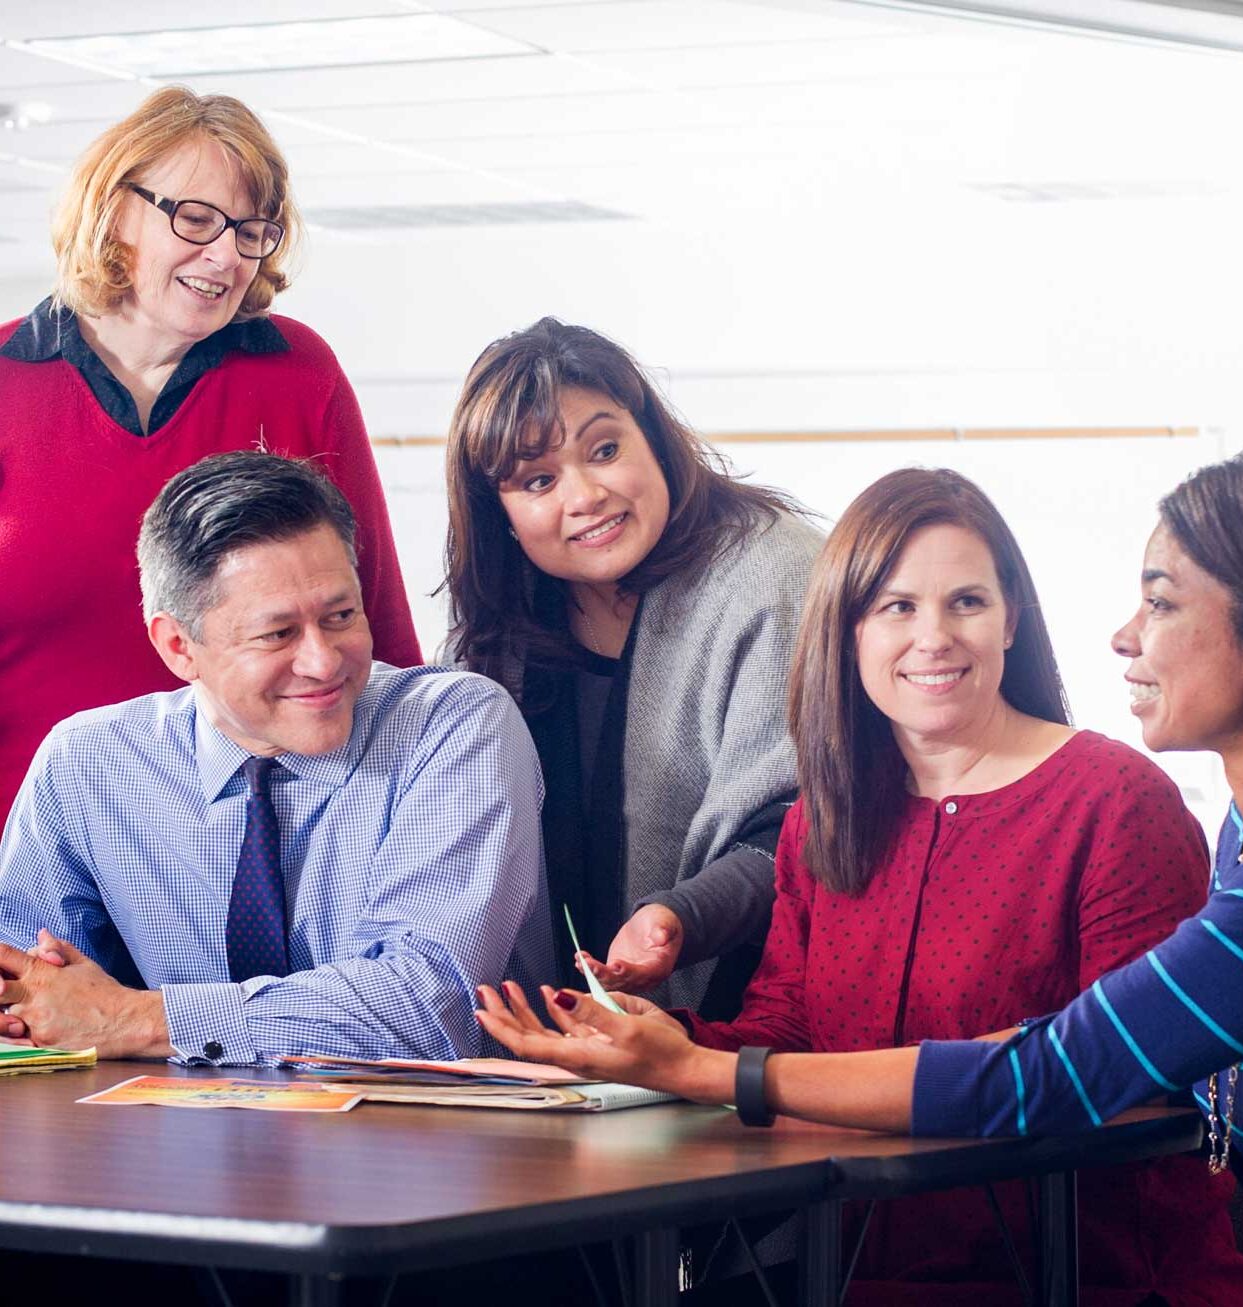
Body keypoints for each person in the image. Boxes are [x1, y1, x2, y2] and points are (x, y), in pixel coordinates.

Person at [479, 466, 1243, 1305]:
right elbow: (789, 1031)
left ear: (1011, 619)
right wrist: (658, 1037)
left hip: (1096, 1284)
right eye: (896, 606)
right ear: (845, 630)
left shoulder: (1116, 802)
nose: (933, 637)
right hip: (859, 1277)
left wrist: (695, 1066)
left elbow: (1129, 1080)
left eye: (966, 601)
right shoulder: (825, 818)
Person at [0, 451, 551, 1065]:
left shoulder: (454, 725)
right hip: (167, 1123)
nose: (323, 661)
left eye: (341, 616)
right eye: (278, 634)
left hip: (445, 1120)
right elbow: (30, 1001)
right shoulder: (87, 764)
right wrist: (46, 1015)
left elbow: (427, 1007)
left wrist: (136, 1019)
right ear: (179, 647)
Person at [0, 86, 420, 826]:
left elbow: (376, 621)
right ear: (112, 209)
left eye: (252, 231)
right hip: (33, 839)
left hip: (268, 835)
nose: (226, 255)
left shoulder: (296, 372)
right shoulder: (8, 382)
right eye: (195, 219)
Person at [445, 318, 823, 1017]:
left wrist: (681, 916)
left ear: (653, 438)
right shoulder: (501, 619)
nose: (584, 495)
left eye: (606, 449)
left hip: (750, 1020)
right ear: (498, 514)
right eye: (538, 480)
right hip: (546, 1038)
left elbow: (805, 826)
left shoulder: (774, 575)